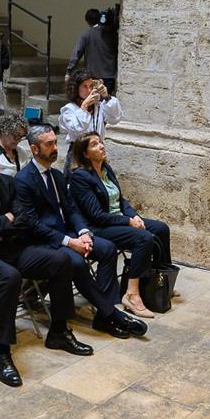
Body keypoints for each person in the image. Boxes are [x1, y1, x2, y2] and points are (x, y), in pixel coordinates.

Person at [0, 135, 87, 387]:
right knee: (8, 277)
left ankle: (59, 331)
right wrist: (5, 221)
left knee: (60, 260)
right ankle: (2, 353)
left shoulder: (7, 183)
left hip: (8, 249)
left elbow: (22, 221)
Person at [13, 122, 146, 340]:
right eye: (49, 144)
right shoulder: (23, 180)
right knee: (75, 262)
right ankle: (110, 314)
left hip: (67, 233)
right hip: (43, 241)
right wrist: (68, 241)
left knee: (107, 249)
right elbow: (33, 224)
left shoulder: (56, 175)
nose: (55, 148)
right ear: (35, 149)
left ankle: (105, 312)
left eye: (56, 142)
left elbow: (72, 210)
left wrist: (83, 232)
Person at [69, 132, 170, 318]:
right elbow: (96, 215)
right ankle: (132, 294)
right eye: (94, 145)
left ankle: (161, 281)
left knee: (160, 228)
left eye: (101, 142)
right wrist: (128, 221)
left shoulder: (106, 170)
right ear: (85, 154)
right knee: (144, 238)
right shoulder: (80, 178)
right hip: (99, 228)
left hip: (119, 219)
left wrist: (134, 215)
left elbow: (121, 200)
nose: (101, 146)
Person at [58, 72, 124, 150]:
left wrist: (106, 97)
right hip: (79, 152)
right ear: (76, 89)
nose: (89, 90)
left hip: (97, 149)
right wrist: (84, 107)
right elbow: (76, 130)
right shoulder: (69, 109)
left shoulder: (99, 106)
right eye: (84, 86)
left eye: (91, 86)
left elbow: (115, 119)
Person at [67, 6, 119, 93]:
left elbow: (77, 53)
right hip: (110, 76)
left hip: (94, 76)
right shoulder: (112, 34)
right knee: (106, 99)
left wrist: (69, 71)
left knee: (96, 100)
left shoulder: (86, 34)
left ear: (87, 21)